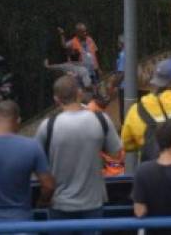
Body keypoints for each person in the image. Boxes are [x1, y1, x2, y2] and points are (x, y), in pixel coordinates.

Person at [35, 76, 123, 232]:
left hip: (59, 205)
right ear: (80, 93)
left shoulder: (47, 127)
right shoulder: (100, 120)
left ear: (56, 99)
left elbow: (36, 164)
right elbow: (116, 154)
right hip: (93, 205)